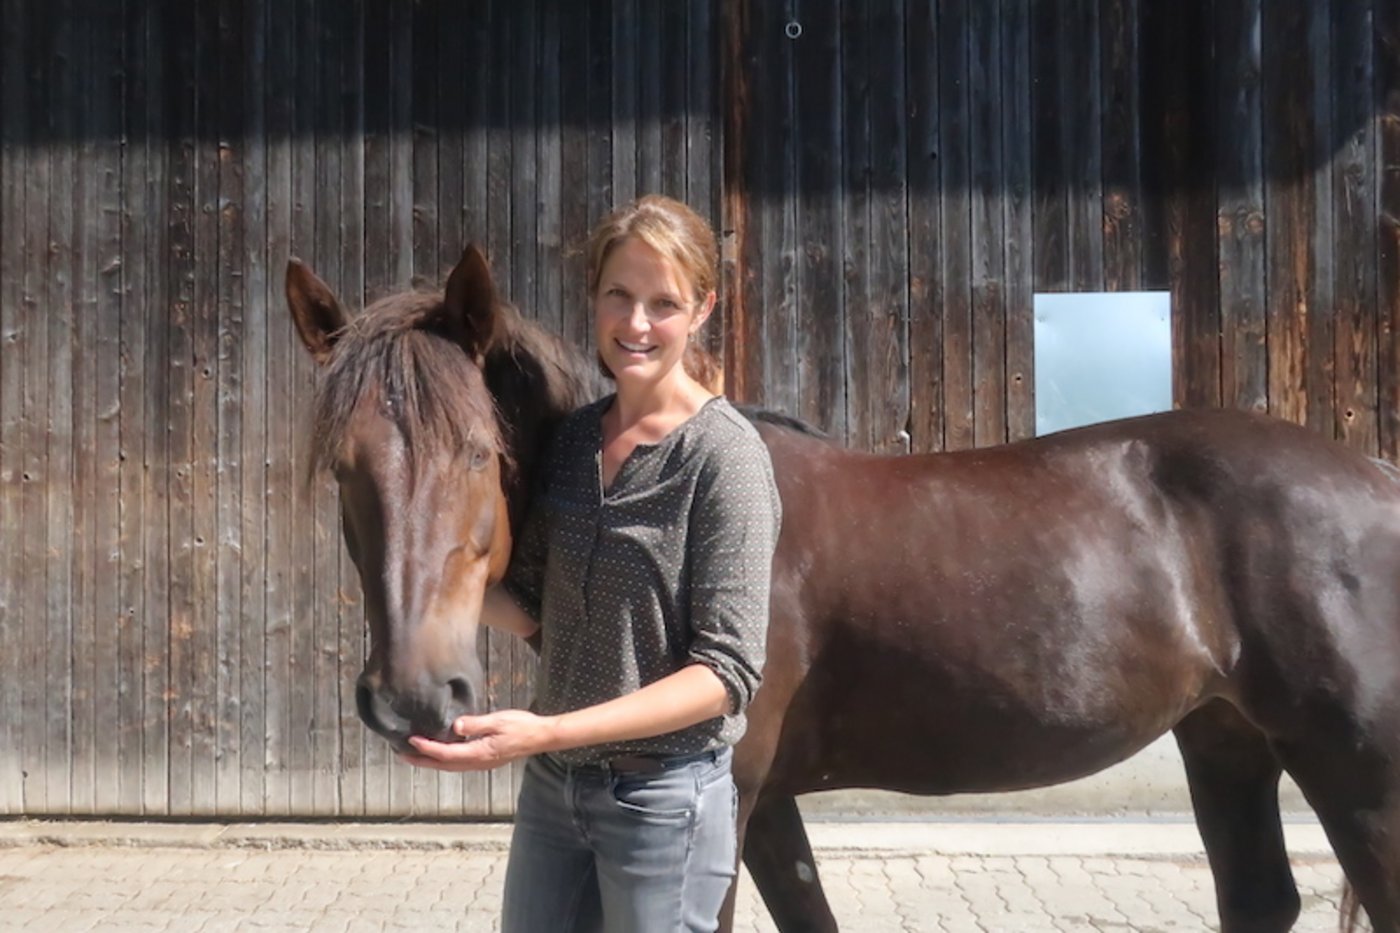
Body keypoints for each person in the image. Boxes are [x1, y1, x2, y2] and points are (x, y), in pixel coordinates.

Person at [403, 194, 782, 933]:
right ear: (595, 298)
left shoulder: (724, 457)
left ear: (702, 308)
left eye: (663, 302)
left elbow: (726, 675)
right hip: (554, 795)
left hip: (661, 801)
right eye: (620, 295)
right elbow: (534, 605)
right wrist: (425, 571)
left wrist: (545, 731)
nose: (636, 323)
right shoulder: (575, 440)